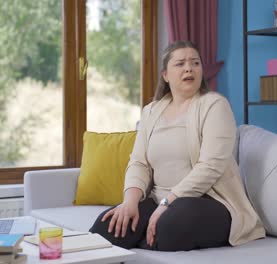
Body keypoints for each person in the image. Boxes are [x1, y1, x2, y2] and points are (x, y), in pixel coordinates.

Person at [90, 41, 265, 251]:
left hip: (209, 202)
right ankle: (143, 236)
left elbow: (210, 166)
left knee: (168, 228)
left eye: (195, 63)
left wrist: (166, 203)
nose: (189, 68)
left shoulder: (215, 105)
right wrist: (130, 202)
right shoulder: (151, 111)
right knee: (105, 228)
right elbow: (139, 163)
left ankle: (143, 237)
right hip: (159, 200)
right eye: (180, 63)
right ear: (165, 75)